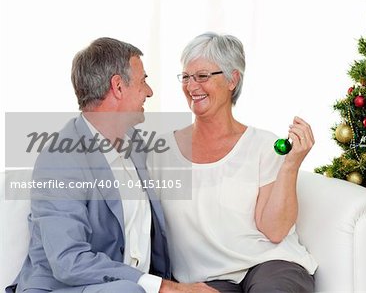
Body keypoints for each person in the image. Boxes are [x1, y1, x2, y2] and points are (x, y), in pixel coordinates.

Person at [6, 37, 217, 293]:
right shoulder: (60, 160)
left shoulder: (136, 144)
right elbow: (68, 262)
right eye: (143, 81)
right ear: (118, 86)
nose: (149, 91)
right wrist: (162, 287)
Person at [149, 32, 318, 292]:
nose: (192, 86)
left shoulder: (263, 145)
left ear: (232, 80)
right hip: (207, 280)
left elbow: (274, 231)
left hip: (270, 265)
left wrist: (291, 165)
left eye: (203, 76)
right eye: (186, 77)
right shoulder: (160, 152)